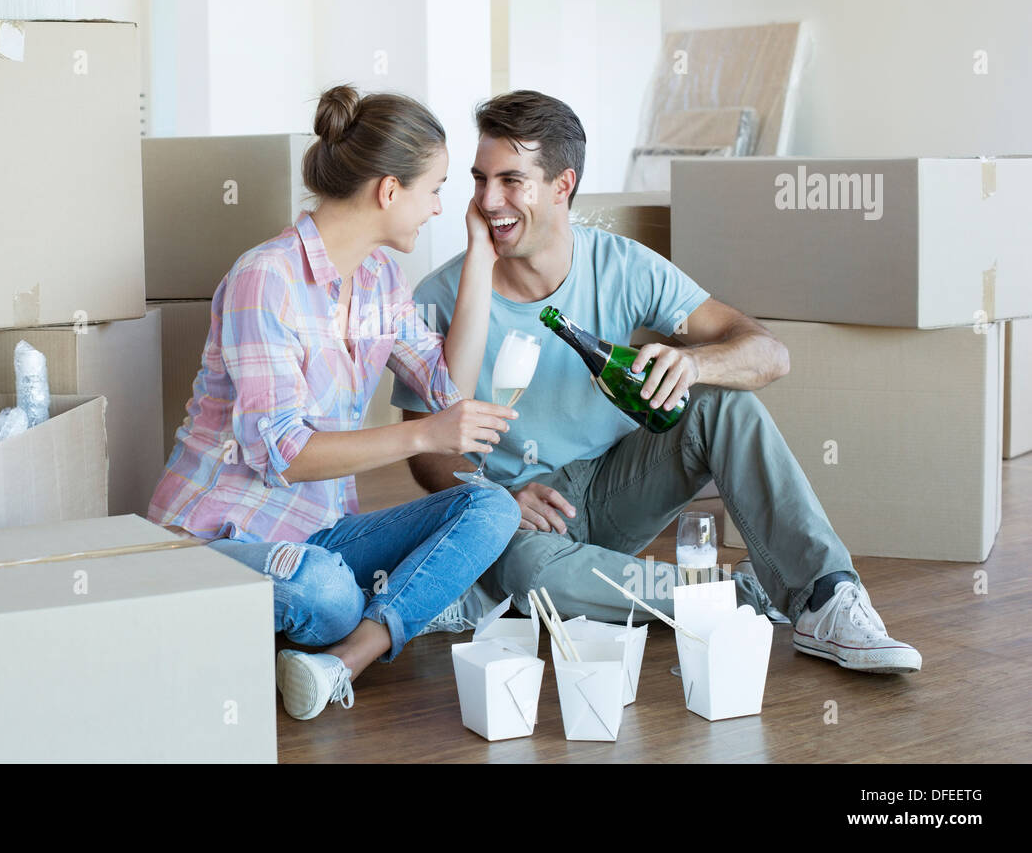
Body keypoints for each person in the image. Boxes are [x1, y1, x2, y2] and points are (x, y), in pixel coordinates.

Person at [392, 90, 921, 674]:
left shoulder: (623, 266)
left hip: (619, 484)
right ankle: (737, 596)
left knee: (722, 405)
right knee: (530, 576)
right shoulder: (442, 297)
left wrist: (697, 364)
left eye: (512, 180)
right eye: (479, 179)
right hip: (524, 519)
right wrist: (501, 501)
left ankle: (825, 596)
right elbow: (423, 456)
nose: (489, 200)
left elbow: (770, 354)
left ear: (563, 185)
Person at [149, 85, 522, 721]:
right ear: (388, 191)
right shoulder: (264, 280)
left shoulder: (380, 280)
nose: (440, 208)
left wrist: (481, 261)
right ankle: (229, 614)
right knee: (324, 590)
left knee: (491, 507)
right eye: (434, 189)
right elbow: (284, 456)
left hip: (318, 532)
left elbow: (447, 385)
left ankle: (339, 660)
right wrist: (425, 435)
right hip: (216, 537)